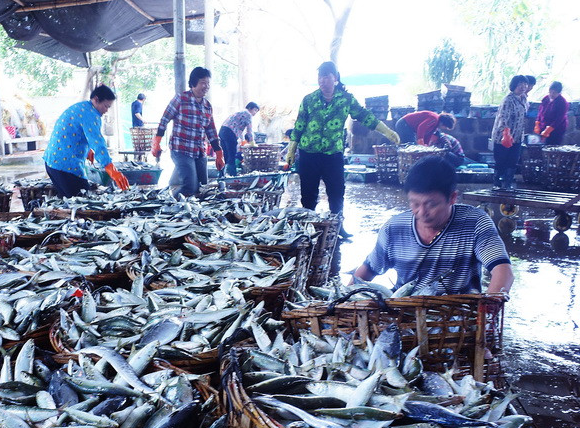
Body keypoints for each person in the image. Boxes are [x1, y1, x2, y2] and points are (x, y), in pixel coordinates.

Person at [352, 156, 514, 296]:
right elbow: (367, 270)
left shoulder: (476, 222)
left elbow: (503, 271)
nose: (422, 212)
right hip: (402, 318)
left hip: (459, 319)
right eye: (414, 203)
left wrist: (487, 309)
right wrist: (342, 300)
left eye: (431, 204)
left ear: (452, 198)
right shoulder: (393, 228)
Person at [286, 61, 400, 239]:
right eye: (320, 77)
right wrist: (292, 148)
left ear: (336, 78)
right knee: (308, 192)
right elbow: (299, 125)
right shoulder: (309, 99)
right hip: (309, 153)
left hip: (334, 154)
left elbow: (364, 116)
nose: (322, 81)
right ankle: (306, 225)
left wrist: (386, 130)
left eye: (326, 77)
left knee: (337, 191)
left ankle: (338, 225)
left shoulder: (346, 99)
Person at [43, 84, 129, 197]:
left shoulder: (81, 107)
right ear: (96, 99)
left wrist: (87, 150)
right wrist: (112, 170)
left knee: (69, 201)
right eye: (106, 106)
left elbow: (75, 131)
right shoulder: (91, 114)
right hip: (65, 167)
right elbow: (98, 144)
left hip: (52, 163)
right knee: (83, 202)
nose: (106, 111)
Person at [152, 67, 225, 197]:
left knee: (202, 187)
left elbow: (211, 131)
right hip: (181, 150)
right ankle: (165, 203)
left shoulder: (207, 106)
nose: (206, 86)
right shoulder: (181, 99)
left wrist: (219, 153)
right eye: (203, 82)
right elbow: (164, 120)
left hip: (199, 152)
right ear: (193, 83)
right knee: (190, 186)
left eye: (208, 83)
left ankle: (193, 214)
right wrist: (157, 142)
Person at [491, 75, 528, 189]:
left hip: (517, 136)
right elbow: (503, 117)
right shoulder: (508, 100)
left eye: (525, 84)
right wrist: (506, 133)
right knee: (501, 160)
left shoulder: (523, 98)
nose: (523, 87)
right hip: (503, 136)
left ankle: (508, 184)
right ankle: (497, 183)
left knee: (513, 160)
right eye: (520, 84)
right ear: (514, 85)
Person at [218, 102, 260, 176]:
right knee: (232, 154)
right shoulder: (248, 114)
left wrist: (242, 140)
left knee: (226, 154)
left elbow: (240, 130)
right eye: (255, 110)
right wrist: (252, 142)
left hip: (222, 131)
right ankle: (232, 175)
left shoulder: (239, 112)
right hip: (230, 132)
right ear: (250, 108)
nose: (255, 113)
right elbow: (249, 130)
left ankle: (222, 175)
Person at [535, 81, 569, 146]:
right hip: (543, 126)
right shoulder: (545, 99)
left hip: (557, 129)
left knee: (552, 146)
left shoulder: (562, 102)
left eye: (554, 93)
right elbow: (540, 112)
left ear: (559, 93)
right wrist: (537, 123)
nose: (551, 94)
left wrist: (549, 129)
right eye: (550, 92)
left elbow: (559, 118)